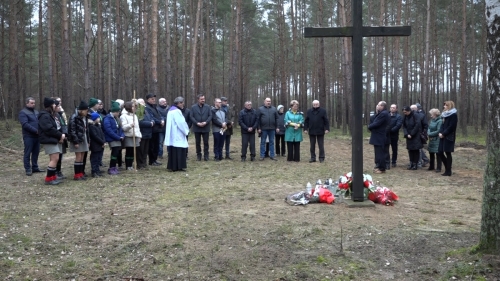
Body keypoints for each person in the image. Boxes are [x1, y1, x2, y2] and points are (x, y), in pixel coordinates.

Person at [38, 97, 65, 185]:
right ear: (50, 105)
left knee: (55, 159)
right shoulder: (44, 116)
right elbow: (49, 129)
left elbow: (58, 126)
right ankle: (48, 179)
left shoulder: (52, 115)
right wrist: (60, 135)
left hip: (54, 139)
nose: (56, 105)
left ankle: (53, 177)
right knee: (54, 159)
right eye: (54, 104)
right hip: (49, 139)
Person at [19, 97, 43, 176]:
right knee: (28, 152)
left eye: (34, 103)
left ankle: (35, 167)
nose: (33, 104)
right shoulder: (23, 112)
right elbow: (25, 124)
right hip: (28, 136)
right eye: (31, 103)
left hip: (37, 136)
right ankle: (28, 169)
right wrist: (35, 131)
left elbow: (39, 122)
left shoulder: (36, 112)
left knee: (36, 152)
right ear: (27, 103)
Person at [164, 97, 190, 171]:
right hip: (178, 133)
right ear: (179, 103)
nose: (183, 105)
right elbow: (181, 123)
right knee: (179, 150)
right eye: (182, 103)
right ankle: (178, 166)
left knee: (173, 151)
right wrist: (186, 130)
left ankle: (173, 166)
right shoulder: (177, 111)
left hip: (173, 133)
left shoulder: (170, 110)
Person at [68, 101, 90, 180]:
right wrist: (75, 141)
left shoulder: (85, 117)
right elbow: (72, 130)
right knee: (78, 156)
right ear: (82, 110)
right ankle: (77, 175)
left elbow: (86, 130)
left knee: (82, 156)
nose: (87, 112)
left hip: (84, 138)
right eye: (86, 110)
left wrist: (88, 141)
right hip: (77, 139)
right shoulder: (74, 117)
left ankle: (81, 173)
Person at [368, 101, 390, 173]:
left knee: (380, 153)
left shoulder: (384, 114)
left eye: (378, 105)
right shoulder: (381, 113)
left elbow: (376, 123)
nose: (377, 106)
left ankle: (382, 168)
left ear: (382, 106)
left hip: (379, 135)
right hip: (377, 135)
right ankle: (378, 166)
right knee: (377, 152)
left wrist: (369, 126)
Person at [103, 101, 125, 175]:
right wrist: (118, 137)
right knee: (114, 153)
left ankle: (114, 167)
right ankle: (111, 167)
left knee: (117, 153)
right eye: (118, 112)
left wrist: (122, 135)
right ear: (114, 111)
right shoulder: (107, 118)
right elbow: (108, 130)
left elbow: (120, 128)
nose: (119, 113)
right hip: (112, 138)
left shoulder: (117, 118)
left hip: (118, 138)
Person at [190, 94, 212, 161]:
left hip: (206, 127)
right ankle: (198, 156)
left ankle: (206, 156)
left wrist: (206, 122)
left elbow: (210, 116)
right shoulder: (193, 107)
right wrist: (197, 123)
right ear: (198, 100)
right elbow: (191, 116)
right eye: (201, 99)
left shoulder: (208, 107)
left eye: (203, 99)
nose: (203, 100)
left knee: (206, 142)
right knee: (197, 142)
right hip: (197, 127)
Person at [438, 101, 458, 176]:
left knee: (447, 152)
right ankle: (448, 168)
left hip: (449, 136)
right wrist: (440, 132)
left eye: (446, 105)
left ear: (450, 106)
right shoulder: (444, 115)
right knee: (440, 152)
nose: (444, 106)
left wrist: (444, 134)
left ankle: (448, 171)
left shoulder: (453, 115)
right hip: (442, 136)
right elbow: (442, 125)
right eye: (444, 105)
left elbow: (452, 127)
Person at [121, 101, 142, 170]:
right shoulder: (123, 116)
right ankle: (128, 165)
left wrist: (139, 135)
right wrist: (130, 125)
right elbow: (123, 127)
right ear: (129, 107)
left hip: (135, 135)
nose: (134, 108)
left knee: (133, 151)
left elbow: (137, 127)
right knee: (129, 151)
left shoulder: (134, 115)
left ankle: (131, 165)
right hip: (129, 136)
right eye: (132, 106)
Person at [144, 93, 163, 166]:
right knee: (151, 146)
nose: (154, 100)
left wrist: (162, 120)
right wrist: (159, 121)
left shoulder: (155, 107)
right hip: (152, 129)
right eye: (152, 99)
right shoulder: (147, 108)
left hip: (157, 129)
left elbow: (159, 115)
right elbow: (151, 117)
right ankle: (151, 160)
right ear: (148, 100)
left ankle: (155, 159)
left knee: (156, 145)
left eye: (154, 99)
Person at [402, 105, 423, 170]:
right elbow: (404, 126)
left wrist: (412, 134)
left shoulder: (415, 115)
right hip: (408, 135)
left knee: (415, 150)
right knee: (410, 150)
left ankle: (415, 164)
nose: (404, 113)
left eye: (405, 112)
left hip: (415, 136)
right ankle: (411, 163)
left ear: (409, 111)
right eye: (404, 112)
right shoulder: (405, 117)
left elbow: (417, 125)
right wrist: (406, 134)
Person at [89, 112, 106, 177]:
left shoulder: (98, 125)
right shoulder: (91, 127)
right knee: (95, 158)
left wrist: (104, 141)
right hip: (95, 145)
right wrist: (102, 142)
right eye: (98, 118)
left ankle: (97, 170)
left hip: (101, 145)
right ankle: (94, 171)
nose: (99, 119)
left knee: (99, 158)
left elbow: (102, 134)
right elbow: (95, 136)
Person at [54, 97, 68, 179]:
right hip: (57, 138)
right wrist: (60, 135)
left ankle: (59, 171)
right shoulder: (53, 116)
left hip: (62, 137)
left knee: (61, 156)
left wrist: (65, 134)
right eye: (58, 106)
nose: (60, 107)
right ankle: (55, 172)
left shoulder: (60, 114)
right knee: (56, 157)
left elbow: (64, 125)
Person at [137, 103, 154, 170]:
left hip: (148, 133)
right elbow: (140, 122)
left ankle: (144, 163)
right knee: (141, 150)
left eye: (143, 103)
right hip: (142, 133)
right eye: (141, 103)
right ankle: (140, 164)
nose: (143, 104)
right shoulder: (138, 112)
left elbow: (152, 118)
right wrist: (150, 123)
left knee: (146, 150)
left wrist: (152, 121)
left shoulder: (147, 111)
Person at [427, 108, 442, 173]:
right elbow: (429, 128)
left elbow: (439, 130)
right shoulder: (432, 120)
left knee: (438, 153)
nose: (431, 116)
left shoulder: (440, 121)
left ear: (435, 114)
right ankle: (431, 166)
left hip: (437, 139)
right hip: (431, 139)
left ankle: (439, 167)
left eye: (432, 114)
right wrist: (428, 132)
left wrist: (430, 134)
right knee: (431, 153)